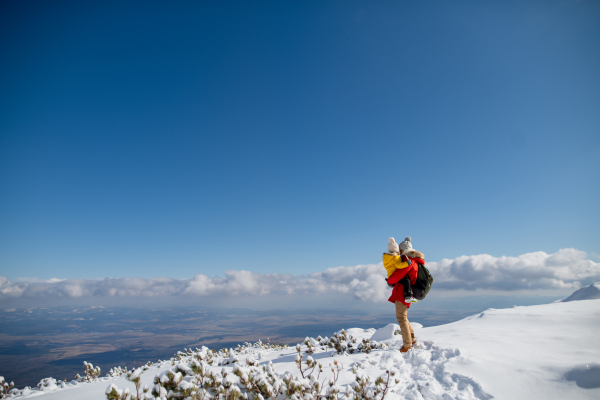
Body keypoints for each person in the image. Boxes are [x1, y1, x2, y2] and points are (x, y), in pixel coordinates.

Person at [383, 237, 425, 353]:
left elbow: (396, 276)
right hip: (406, 291)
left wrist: (389, 281)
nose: (398, 253)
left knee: (401, 318)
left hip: (403, 292)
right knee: (403, 317)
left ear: (403, 250)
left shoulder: (408, 262)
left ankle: (407, 345)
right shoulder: (415, 261)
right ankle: (412, 340)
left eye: (400, 251)